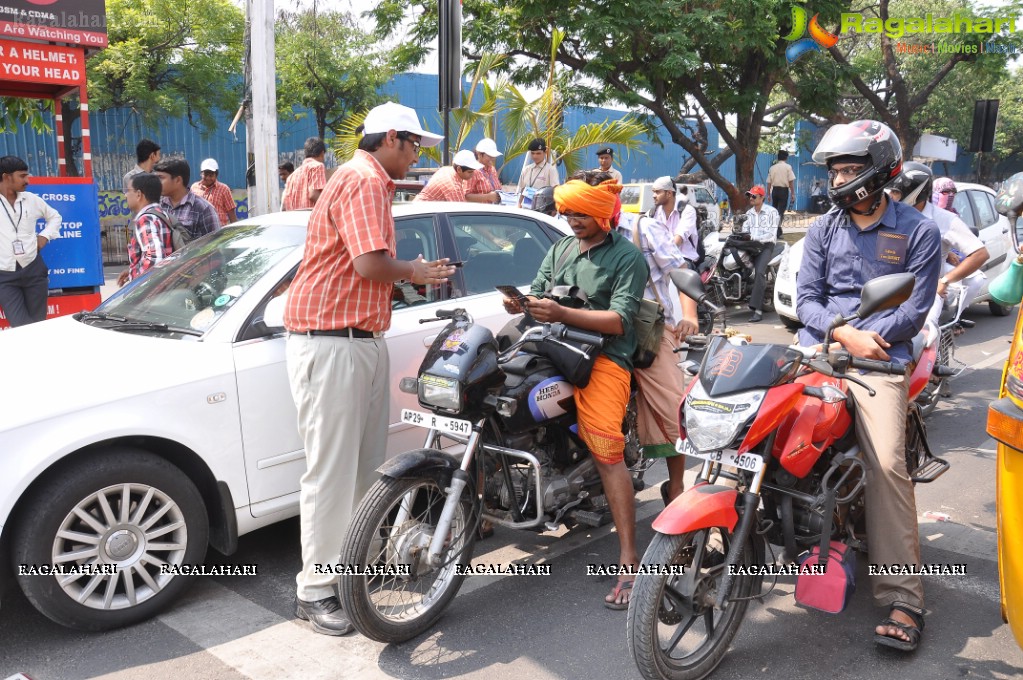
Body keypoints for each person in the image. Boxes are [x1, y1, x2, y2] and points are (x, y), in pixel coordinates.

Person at [283, 101, 454, 636]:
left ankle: (350, 577)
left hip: (353, 339)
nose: (417, 157)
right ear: (393, 139)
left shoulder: (362, 178)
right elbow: (367, 264)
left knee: (361, 473)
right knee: (332, 476)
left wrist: (403, 278)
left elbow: (359, 269)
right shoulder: (362, 179)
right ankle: (315, 592)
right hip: (333, 342)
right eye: (416, 147)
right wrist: (415, 271)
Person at [796, 120, 941, 653]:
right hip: (824, 350)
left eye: (851, 169)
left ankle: (904, 596)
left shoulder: (919, 232)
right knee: (758, 424)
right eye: (835, 169)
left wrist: (862, 340)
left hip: (881, 361)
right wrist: (840, 333)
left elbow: (913, 309)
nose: (840, 179)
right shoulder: (822, 229)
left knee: (886, 467)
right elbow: (806, 298)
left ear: (880, 171)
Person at [502, 175, 647, 610]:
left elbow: (621, 320)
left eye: (581, 213)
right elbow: (541, 288)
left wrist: (562, 311)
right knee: (490, 393)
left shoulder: (628, 257)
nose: (572, 220)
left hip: (604, 358)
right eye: (566, 213)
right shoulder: (561, 247)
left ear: (603, 214)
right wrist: (522, 303)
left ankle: (629, 559)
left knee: (605, 449)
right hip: (553, 343)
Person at [615, 180, 698, 505]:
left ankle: (675, 486)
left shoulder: (643, 228)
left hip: (650, 332)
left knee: (672, 411)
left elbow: (680, 271)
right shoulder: (580, 237)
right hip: (604, 336)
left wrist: (689, 315)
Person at [893, 162, 988, 329]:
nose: (890, 196)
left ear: (913, 191)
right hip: (888, 290)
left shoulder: (944, 219)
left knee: (922, 339)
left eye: (895, 191)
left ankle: (949, 324)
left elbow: (980, 254)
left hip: (925, 294)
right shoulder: (887, 214)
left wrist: (944, 281)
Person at [0, 156, 61, 327]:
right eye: (22, 176)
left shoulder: (31, 199)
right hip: (5, 276)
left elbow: (55, 216)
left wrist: (44, 237)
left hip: (33, 270)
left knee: (38, 325)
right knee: (20, 326)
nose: (27, 180)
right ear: (6, 177)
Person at [116, 173, 173, 286]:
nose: (125, 195)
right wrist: (132, 272)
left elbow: (154, 259)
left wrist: (137, 285)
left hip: (153, 294)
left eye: (128, 190)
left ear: (138, 194)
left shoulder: (145, 220)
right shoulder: (160, 214)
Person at [739, 185, 780, 322]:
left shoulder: (771, 212)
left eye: (754, 196)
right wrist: (743, 237)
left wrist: (754, 239)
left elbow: (771, 234)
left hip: (766, 246)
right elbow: (746, 230)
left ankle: (757, 310)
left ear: (762, 198)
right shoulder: (749, 213)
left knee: (760, 272)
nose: (751, 198)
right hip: (752, 246)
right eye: (749, 195)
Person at [154, 157, 219, 241]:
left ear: (177, 180)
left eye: (161, 177)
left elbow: (214, 245)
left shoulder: (204, 209)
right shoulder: (157, 206)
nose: (156, 182)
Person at [414, 149, 487, 202]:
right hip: (422, 215)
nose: (472, 175)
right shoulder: (453, 186)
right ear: (459, 169)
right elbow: (461, 213)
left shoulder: (446, 170)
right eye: (470, 172)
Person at [282, 137, 328, 211]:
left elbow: (285, 205)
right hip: (310, 218)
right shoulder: (317, 166)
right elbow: (313, 194)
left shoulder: (292, 176)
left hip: (293, 219)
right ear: (322, 153)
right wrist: (330, 208)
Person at [191, 158, 237, 227]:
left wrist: (235, 232)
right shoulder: (194, 188)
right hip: (199, 232)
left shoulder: (224, 189)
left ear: (216, 175)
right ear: (201, 174)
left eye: (211, 175)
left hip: (219, 232)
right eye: (206, 175)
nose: (208, 178)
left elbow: (231, 213)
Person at [516, 138, 560, 208]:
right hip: (525, 209)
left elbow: (555, 191)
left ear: (545, 152)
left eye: (538, 153)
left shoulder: (551, 170)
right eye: (532, 153)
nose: (535, 156)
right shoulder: (526, 170)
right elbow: (522, 190)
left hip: (542, 210)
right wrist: (519, 205)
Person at [669, 184, 700, 269]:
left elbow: (678, 240)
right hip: (666, 257)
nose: (654, 196)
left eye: (657, 192)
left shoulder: (687, 209)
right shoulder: (657, 211)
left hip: (683, 258)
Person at [767, 149, 796, 238]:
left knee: (774, 211)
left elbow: (768, 182)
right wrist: (793, 194)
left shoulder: (772, 168)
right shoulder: (788, 167)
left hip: (774, 191)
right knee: (780, 212)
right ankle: (778, 232)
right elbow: (791, 181)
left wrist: (768, 194)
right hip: (784, 191)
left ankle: (774, 231)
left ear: (778, 157)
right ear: (786, 158)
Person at [465, 137, 503, 204]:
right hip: (479, 212)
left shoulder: (492, 170)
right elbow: (466, 196)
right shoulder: (473, 171)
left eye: (493, 156)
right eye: (489, 156)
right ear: (479, 154)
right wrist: (487, 197)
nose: (492, 159)